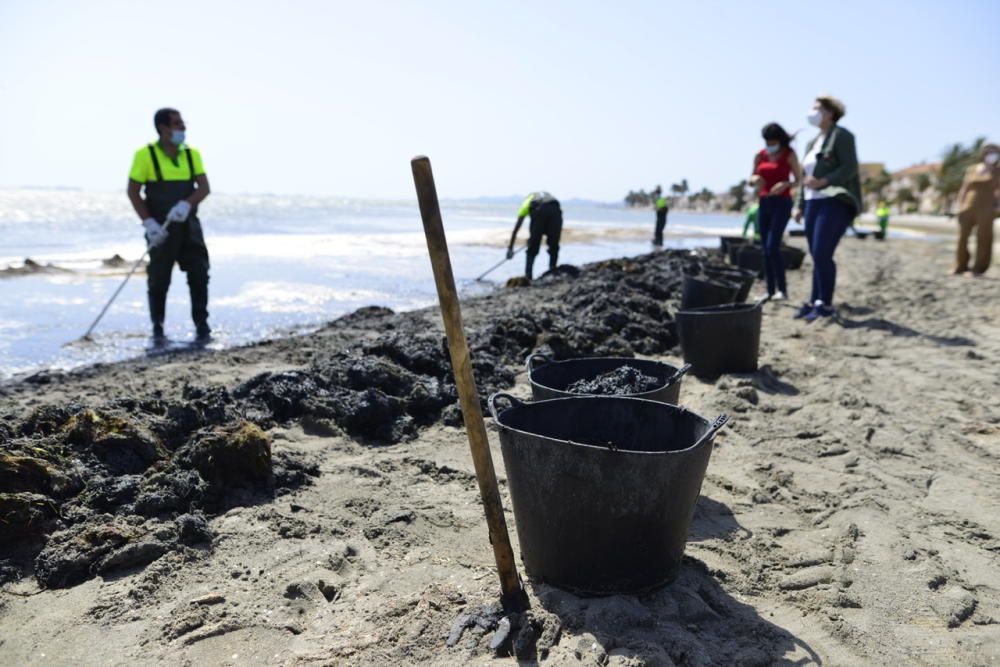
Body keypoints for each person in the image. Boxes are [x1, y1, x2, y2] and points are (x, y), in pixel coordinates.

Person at [127, 108, 212, 342]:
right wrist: (149, 223)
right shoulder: (145, 155)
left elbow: (204, 188)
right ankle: (158, 329)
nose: (182, 128)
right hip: (161, 229)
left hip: (188, 226)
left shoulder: (191, 154)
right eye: (177, 124)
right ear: (162, 127)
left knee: (199, 273)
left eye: (183, 123)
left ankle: (202, 326)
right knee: (159, 278)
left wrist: (187, 204)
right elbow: (133, 192)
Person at [792, 95, 862, 321]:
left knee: (822, 252)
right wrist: (799, 205)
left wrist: (824, 181)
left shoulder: (842, 136)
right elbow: (805, 177)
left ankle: (825, 304)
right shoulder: (813, 142)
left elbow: (849, 167)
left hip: (834, 200)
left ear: (830, 112)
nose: (812, 112)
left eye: (817, 108)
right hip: (812, 202)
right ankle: (814, 301)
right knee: (816, 254)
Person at [749, 123, 802, 300]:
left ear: (779, 140)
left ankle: (783, 289)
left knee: (773, 245)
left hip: (782, 203)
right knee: (765, 248)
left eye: (772, 141)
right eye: (767, 141)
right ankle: (770, 290)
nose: (769, 144)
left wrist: (786, 184)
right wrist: (755, 179)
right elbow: (750, 178)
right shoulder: (760, 155)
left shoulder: (789, 154)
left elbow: (799, 179)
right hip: (764, 202)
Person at [953, 143, 999, 275]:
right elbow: (964, 188)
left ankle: (978, 268)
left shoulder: (997, 171)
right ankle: (960, 265)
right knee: (962, 237)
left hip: (987, 207)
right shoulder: (973, 169)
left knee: (983, 238)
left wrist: (997, 206)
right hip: (968, 205)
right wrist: (960, 205)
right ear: (984, 153)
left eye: (995, 151)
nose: (992, 154)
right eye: (990, 151)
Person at [507, 191, 562, 280]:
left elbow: (516, 229)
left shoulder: (526, 203)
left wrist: (510, 248)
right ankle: (552, 270)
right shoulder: (547, 196)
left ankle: (528, 276)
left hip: (539, 210)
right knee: (554, 243)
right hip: (555, 209)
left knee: (533, 247)